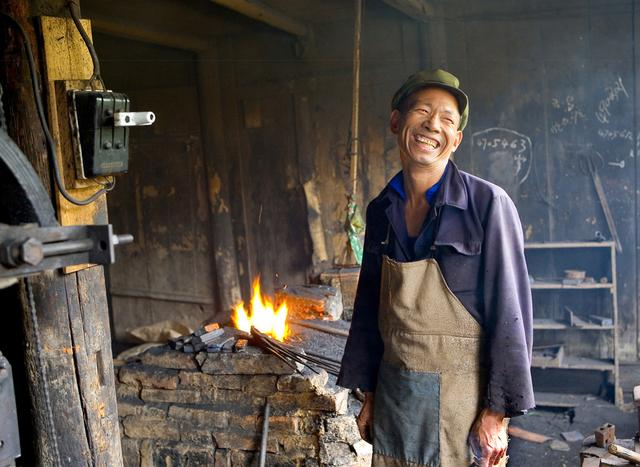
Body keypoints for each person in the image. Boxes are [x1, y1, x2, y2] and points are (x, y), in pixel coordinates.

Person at [337, 69, 535, 467]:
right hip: (396, 397)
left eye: (447, 119)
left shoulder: (488, 206)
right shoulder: (381, 210)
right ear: (396, 121)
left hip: (462, 404)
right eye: (422, 111)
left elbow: (510, 313)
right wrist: (370, 393)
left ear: (456, 139)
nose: (433, 125)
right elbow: (369, 311)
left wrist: (497, 414)